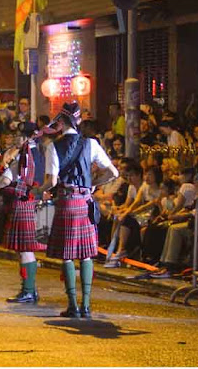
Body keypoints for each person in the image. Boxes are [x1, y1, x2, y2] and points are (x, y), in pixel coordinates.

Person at [36, 102, 118, 318]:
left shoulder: (53, 147)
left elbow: (51, 181)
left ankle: (73, 305)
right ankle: (87, 306)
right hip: (85, 202)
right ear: (79, 121)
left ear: (61, 123)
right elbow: (112, 172)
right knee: (87, 255)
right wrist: (92, 183)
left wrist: (36, 192)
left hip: (67, 202)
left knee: (68, 256)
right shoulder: (90, 143)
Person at [1, 132, 46, 304]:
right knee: (28, 251)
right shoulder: (42, 155)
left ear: (27, 138)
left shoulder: (23, 157)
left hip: (25, 204)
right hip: (39, 205)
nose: (14, 140)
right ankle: (30, 290)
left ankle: (28, 291)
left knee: (25, 250)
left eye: (18, 137)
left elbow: (5, 181)